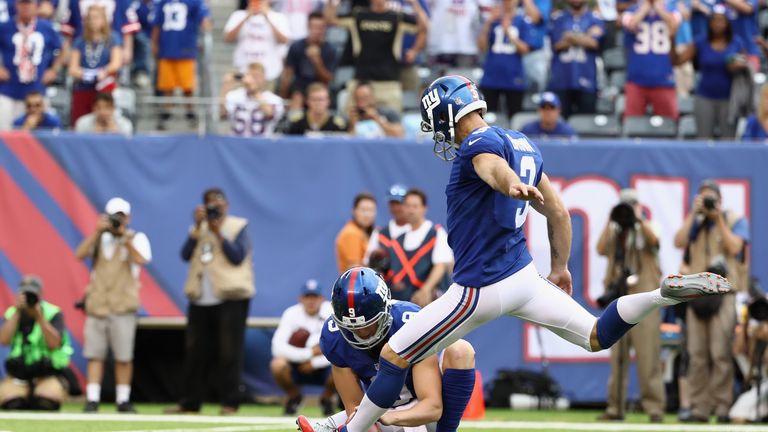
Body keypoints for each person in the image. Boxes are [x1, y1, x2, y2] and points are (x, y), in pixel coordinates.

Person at [326, 75, 732, 432]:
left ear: (449, 114)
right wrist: (560, 266)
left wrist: (508, 185)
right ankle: (661, 296)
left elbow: (488, 166)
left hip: (478, 287)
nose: (440, 136)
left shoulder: (477, 144)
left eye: (438, 126)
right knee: (595, 336)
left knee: (394, 354)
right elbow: (558, 210)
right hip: (524, 278)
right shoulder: (522, 143)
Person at [297, 267, 477, 432]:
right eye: (350, 328)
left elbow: (432, 407)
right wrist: (368, 421)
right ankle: (329, 426)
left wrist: (388, 418)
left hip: (418, 412)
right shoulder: (334, 337)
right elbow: (355, 409)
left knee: (460, 350)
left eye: (369, 325)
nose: (361, 334)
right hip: (377, 409)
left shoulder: (409, 322)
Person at [166, 188, 254, 415]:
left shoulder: (237, 226)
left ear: (227, 205)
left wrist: (218, 232)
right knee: (195, 352)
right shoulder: (198, 228)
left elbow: (237, 256)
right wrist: (197, 227)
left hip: (230, 296)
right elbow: (185, 254)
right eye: (210, 204)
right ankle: (190, 402)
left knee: (229, 352)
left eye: (219, 203)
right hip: (201, 297)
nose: (215, 208)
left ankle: (229, 402)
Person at [673, 179, 749, 423]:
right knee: (696, 354)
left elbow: (735, 247)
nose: (706, 203)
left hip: (723, 294)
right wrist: (692, 216)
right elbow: (678, 241)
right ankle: (699, 408)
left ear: (720, 201)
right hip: (697, 292)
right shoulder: (695, 223)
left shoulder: (733, 219)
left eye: (710, 199)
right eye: (702, 198)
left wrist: (717, 219)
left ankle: (722, 407)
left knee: (720, 353)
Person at [75, 197, 152, 413]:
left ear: (128, 217)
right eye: (113, 216)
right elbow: (79, 255)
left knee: (124, 356)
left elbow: (141, 260)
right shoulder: (99, 239)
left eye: (121, 216)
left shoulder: (136, 238)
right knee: (95, 354)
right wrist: (98, 232)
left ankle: (123, 399)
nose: (118, 220)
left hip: (123, 306)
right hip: (98, 304)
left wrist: (124, 238)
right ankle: (92, 399)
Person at [595, 189, 665, 423]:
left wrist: (639, 218)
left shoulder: (649, 227)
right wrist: (611, 219)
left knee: (648, 355)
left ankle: (654, 408)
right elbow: (601, 248)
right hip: (621, 300)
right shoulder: (616, 232)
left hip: (645, 300)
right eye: (623, 207)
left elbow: (655, 243)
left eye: (631, 206)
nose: (627, 211)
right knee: (618, 356)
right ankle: (615, 408)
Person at [325, 0, 429, 113]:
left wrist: (414, 50)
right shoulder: (358, 15)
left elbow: (424, 27)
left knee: (392, 120)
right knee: (350, 118)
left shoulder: (397, 17)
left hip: (389, 82)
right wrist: (332, 2)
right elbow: (330, 20)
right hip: (361, 79)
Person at [670, 5, 748, 139]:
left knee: (728, 140)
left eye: (721, 20)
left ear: (727, 23)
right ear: (709, 22)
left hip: (729, 99)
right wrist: (671, 40)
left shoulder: (737, 43)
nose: (717, 24)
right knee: (703, 139)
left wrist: (736, 66)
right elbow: (677, 61)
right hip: (704, 97)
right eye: (714, 20)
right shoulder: (700, 42)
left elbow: (744, 65)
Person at [0, 275, 72, 411]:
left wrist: (39, 317)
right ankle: (23, 394)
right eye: (24, 293)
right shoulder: (11, 313)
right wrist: (17, 312)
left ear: (40, 294)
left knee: (46, 402)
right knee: (12, 403)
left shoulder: (53, 312)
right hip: (19, 373)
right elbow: (3, 340)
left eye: (32, 294)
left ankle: (42, 393)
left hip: (46, 373)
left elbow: (54, 344)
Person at [271, 279, 335, 416]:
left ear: (322, 298)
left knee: (344, 366)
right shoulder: (291, 313)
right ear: (301, 299)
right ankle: (294, 397)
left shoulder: (332, 313)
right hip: (298, 366)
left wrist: (315, 363)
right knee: (278, 365)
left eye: (315, 297)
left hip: (325, 366)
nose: (311, 301)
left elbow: (340, 349)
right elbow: (277, 347)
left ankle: (327, 398)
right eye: (307, 297)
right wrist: (309, 354)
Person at [381, 188, 452, 307]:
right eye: (407, 206)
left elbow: (441, 265)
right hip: (403, 304)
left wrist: (426, 289)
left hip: (429, 304)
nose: (411, 210)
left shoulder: (436, 233)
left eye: (415, 206)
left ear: (424, 208)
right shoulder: (398, 239)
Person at [0, 0, 63, 131]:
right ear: (16, 5)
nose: (26, 7)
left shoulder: (46, 27)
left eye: (29, 3)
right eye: (23, 3)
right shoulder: (5, 27)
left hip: (37, 91)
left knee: (41, 135)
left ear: (36, 6)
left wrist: (54, 69)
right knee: (5, 133)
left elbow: (63, 49)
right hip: (9, 89)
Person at [152, 0, 212, 130]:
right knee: (167, 85)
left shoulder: (195, 2)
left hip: (186, 48)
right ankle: (167, 110)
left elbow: (204, 17)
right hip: (167, 47)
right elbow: (157, 24)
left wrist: (205, 25)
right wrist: (155, 43)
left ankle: (189, 110)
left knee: (188, 86)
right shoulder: (163, 2)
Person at [622, 0, 681, 119]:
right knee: (632, 122)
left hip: (663, 77)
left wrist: (658, 8)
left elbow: (674, 25)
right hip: (636, 77)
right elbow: (631, 24)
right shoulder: (630, 11)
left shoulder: (671, 10)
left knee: (669, 123)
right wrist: (646, 7)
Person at [68, 4, 123, 125]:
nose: (93, 21)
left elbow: (116, 63)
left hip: (104, 88)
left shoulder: (113, 38)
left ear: (104, 20)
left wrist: (103, 72)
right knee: (80, 121)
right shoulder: (80, 41)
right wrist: (84, 74)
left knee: (105, 121)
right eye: (90, 18)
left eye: (97, 18)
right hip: (83, 87)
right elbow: (72, 68)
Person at [477, 0, 535, 115]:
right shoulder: (493, 20)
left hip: (514, 77)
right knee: (487, 117)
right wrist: (488, 23)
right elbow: (482, 47)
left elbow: (525, 49)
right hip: (491, 77)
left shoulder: (523, 21)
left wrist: (508, 32)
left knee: (514, 116)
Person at [548, 0, 604, 118]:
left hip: (587, 78)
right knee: (561, 123)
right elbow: (557, 45)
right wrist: (585, 35)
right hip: (562, 79)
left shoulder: (595, 18)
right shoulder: (558, 18)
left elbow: (594, 43)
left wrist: (569, 36)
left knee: (586, 124)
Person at [279, 11, 337, 113]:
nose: (317, 31)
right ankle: (293, 124)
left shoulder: (330, 50)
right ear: (308, 27)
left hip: (320, 86)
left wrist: (317, 61)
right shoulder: (296, 47)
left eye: (320, 28)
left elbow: (328, 79)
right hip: (299, 86)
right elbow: (288, 73)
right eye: (314, 27)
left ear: (325, 29)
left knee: (319, 97)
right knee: (297, 97)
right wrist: (282, 96)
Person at [223, 0, 289, 84]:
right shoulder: (238, 15)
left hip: (269, 73)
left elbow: (284, 40)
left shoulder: (278, 17)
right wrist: (246, 17)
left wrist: (266, 17)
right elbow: (228, 39)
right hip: (243, 71)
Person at [60, 0, 141, 67]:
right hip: (83, 46)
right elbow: (69, 28)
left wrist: (127, 49)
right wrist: (66, 50)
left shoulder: (121, 2)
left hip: (110, 47)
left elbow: (128, 25)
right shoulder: (75, 2)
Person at [224, 62, 285, 137]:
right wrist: (226, 86)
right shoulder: (234, 96)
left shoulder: (274, 99)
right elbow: (222, 115)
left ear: (264, 79)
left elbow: (269, 115)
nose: (253, 80)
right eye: (250, 76)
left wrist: (254, 91)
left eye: (256, 76)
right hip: (237, 142)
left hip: (261, 144)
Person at [336, 192, 377, 274]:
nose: (367, 214)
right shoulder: (351, 233)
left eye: (371, 210)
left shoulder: (365, 232)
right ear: (354, 211)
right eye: (363, 210)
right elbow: (355, 270)